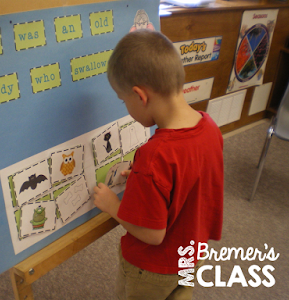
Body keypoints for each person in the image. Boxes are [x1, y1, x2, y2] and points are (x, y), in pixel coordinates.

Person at [93, 29, 223, 300]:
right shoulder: (209, 127)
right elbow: (188, 181)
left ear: (140, 96)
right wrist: (143, 182)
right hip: (191, 257)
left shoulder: (154, 156)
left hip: (152, 269)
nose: (125, 107)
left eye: (123, 100)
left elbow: (152, 235)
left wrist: (112, 206)